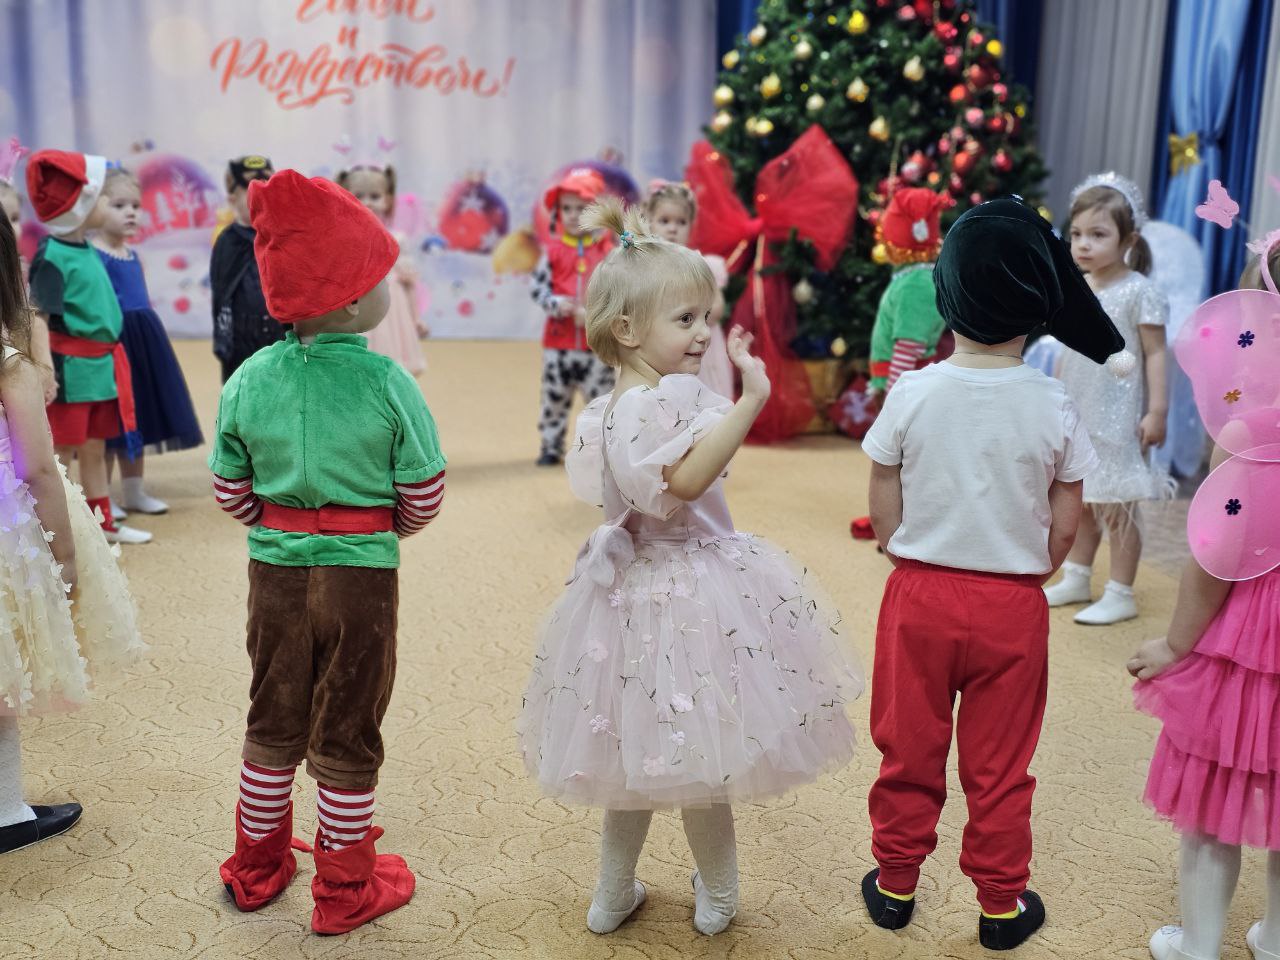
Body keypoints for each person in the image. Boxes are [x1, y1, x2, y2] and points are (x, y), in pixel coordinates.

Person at [517, 197, 861, 937]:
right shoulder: (651, 406)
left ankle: (614, 894)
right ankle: (719, 895)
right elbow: (684, 484)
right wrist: (752, 400)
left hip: (633, 594)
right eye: (685, 320)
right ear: (627, 330)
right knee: (706, 762)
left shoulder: (621, 403)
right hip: (683, 589)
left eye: (706, 316)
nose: (704, 332)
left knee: (633, 761)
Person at [860, 198, 1125, 951]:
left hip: (919, 595)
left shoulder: (913, 391)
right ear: (1041, 306)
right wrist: (1042, 566)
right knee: (1002, 764)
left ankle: (895, 883)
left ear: (946, 295)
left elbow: (883, 479)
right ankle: (1002, 905)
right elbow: (1067, 511)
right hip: (1012, 603)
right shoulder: (1052, 401)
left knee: (907, 745)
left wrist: (895, 543)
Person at [209, 170, 446, 934]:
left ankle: (256, 864)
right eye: (378, 278)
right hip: (359, 577)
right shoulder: (387, 380)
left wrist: (274, 524)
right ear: (349, 303)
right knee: (347, 723)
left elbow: (229, 487)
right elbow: (424, 489)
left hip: (273, 574)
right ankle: (344, 887)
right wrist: (383, 530)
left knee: (272, 713)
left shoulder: (248, 377)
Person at [1128, 232, 1280, 960]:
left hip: (1255, 637)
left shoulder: (1249, 430)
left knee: (1218, 793)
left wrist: (1175, 643)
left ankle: (1199, 945)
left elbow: (1215, 557)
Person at [0, 212, 143, 854]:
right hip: (7, 528)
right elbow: (36, 467)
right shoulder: (10, 365)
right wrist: (64, 555)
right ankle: (7, 812)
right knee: (4, 673)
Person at [1043, 173, 1173, 625]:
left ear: (1129, 240)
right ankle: (1078, 576)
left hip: (1119, 415)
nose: (1083, 244)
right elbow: (1069, 351)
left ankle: (1121, 591)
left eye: (1098, 235)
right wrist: (1057, 400)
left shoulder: (1139, 291)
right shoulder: (1079, 288)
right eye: (1077, 234)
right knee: (1081, 499)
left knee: (1118, 506)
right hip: (1079, 408)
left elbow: (1156, 353)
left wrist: (1157, 411)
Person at [25, 150, 151, 544]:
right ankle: (56, 530)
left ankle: (102, 524)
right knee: (63, 451)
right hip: (72, 369)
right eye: (100, 197)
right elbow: (39, 316)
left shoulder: (87, 249)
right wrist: (46, 368)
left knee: (95, 447)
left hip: (100, 367)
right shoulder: (52, 255)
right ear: (79, 205)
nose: (106, 202)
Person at [91, 168, 203, 519]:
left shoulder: (132, 255)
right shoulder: (93, 255)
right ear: (96, 207)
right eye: (119, 205)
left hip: (143, 345)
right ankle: (102, 495)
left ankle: (134, 490)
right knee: (111, 422)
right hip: (113, 344)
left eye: (136, 206)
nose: (130, 213)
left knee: (138, 414)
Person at [529, 168, 615, 466]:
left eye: (582, 208)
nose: (573, 215)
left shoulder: (607, 253)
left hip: (596, 346)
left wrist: (595, 314)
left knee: (602, 400)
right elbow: (537, 288)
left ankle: (603, 449)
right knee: (554, 398)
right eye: (566, 208)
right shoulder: (552, 251)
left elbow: (619, 293)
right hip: (559, 346)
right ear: (557, 213)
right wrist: (555, 304)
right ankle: (551, 445)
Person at [643, 179, 734, 398]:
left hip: (700, 350)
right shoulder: (644, 267)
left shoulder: (701, 264)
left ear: (691, 225)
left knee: (701, 403)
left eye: (681, 222)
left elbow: (717, 309)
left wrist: (691, 314)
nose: (673, 228)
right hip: (662, 349)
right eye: (664, 221)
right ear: (649, 221)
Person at [336, 163, 428, 375]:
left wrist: (416, 318)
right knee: (356, 366)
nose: (368, 202)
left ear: (387, 200)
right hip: (357, 312)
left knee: (389, 365)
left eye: (375, 196)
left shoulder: (397, 239)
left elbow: (408, 285)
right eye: (359, 196)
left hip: (391, 313)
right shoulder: (344, 238)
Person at [210, 156, 283, 383]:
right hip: (241, 339)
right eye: (253, 193)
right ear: (233, 199)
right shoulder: (228, 242)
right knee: (244, 390)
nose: (263, 199)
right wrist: (224, 341)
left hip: (280, 335)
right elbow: (221, 295)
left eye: (268, 191)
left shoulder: (282, 236)